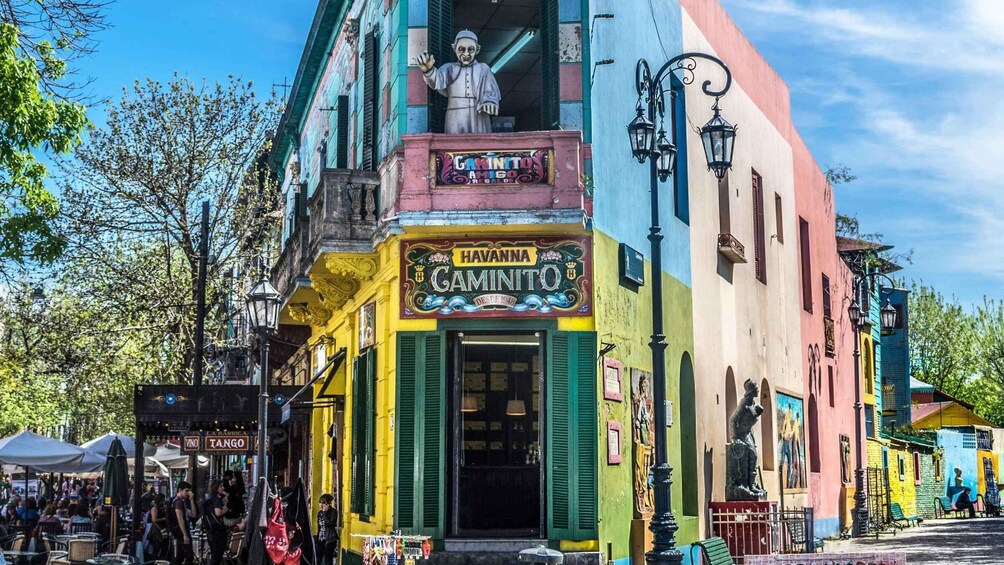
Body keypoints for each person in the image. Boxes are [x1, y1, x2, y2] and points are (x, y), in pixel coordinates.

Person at [417, 30, 501, 134]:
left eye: (470, 50)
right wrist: (428, 70)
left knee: (480, 145)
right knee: (454, 145)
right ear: (454, 48)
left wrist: (490, 101)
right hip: (455, 114)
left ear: (477, 50)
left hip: (478, 114)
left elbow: (490, 90)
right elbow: (437, 81)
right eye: (462, 49)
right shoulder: (449, 68)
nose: (466, 53)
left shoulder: (483, 69)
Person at [168, 481, 196, 565]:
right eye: (186, 491)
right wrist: (185, 535)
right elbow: (180, 518)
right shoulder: (178, 502)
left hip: (183, 530)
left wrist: (191, 501)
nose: (188, 493)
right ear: (180, 490)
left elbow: (193, 515)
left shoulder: (183, 502)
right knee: (189, 555)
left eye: (189, 491)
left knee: (181, 555)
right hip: (181, 531)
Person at [202, 480, 229, 565]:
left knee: (215, 555)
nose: (223, 488)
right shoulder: (216, 499)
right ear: (216, 488)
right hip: (218, 531)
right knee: (217, 556)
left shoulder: (210, 498)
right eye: (221, 486)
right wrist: (226, 507)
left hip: (211, 530)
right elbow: (218, 512)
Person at [316, 494, 338, 565]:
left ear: (328, 504)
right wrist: (317, 539)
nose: (321, 505)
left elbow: (330, 524)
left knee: (328, 560)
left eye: (323, 503)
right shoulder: (319, 513)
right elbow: (319, 527)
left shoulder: (333, 512)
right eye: (320, 503)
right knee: (317, 559)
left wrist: (325, 512)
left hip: (330, 539)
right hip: (320, 539)